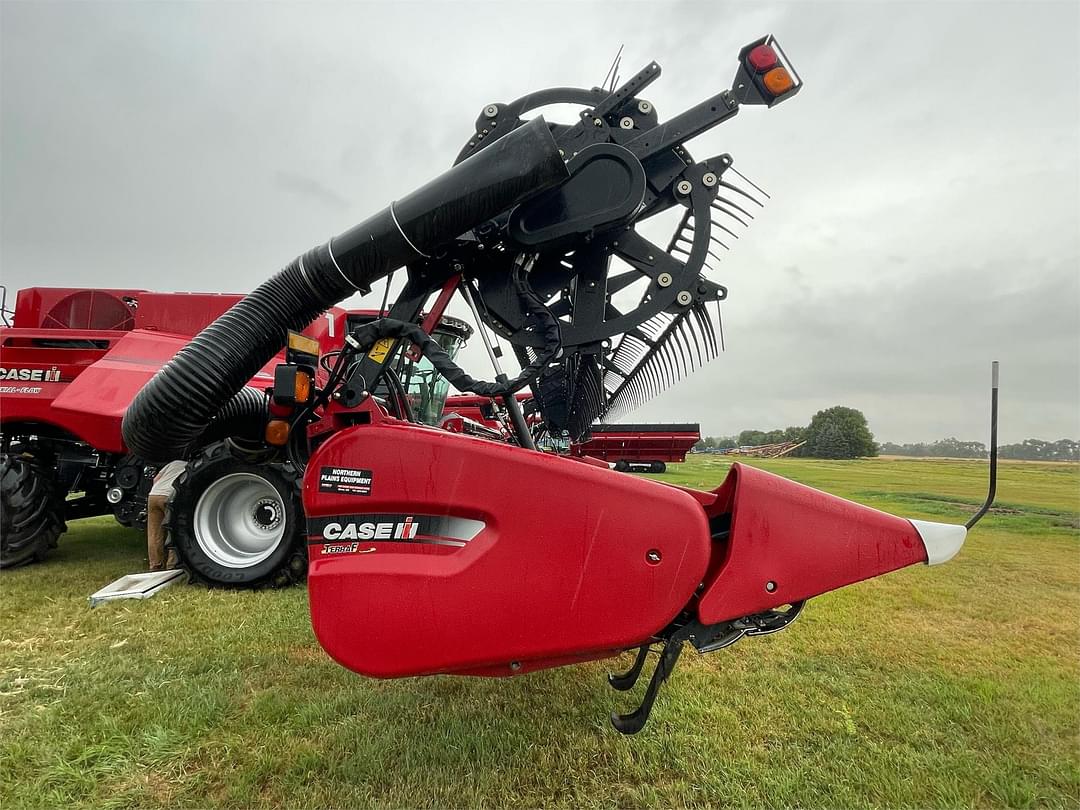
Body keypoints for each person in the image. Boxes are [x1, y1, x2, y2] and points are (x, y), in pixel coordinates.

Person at [146, 460, 187, 571]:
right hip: (170, 496)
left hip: (153, 495)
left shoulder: (173, 463)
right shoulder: (191, 465)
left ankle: (155, 565)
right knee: (174, 531)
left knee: (154, 533)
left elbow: (155, 479)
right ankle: (172, 565)